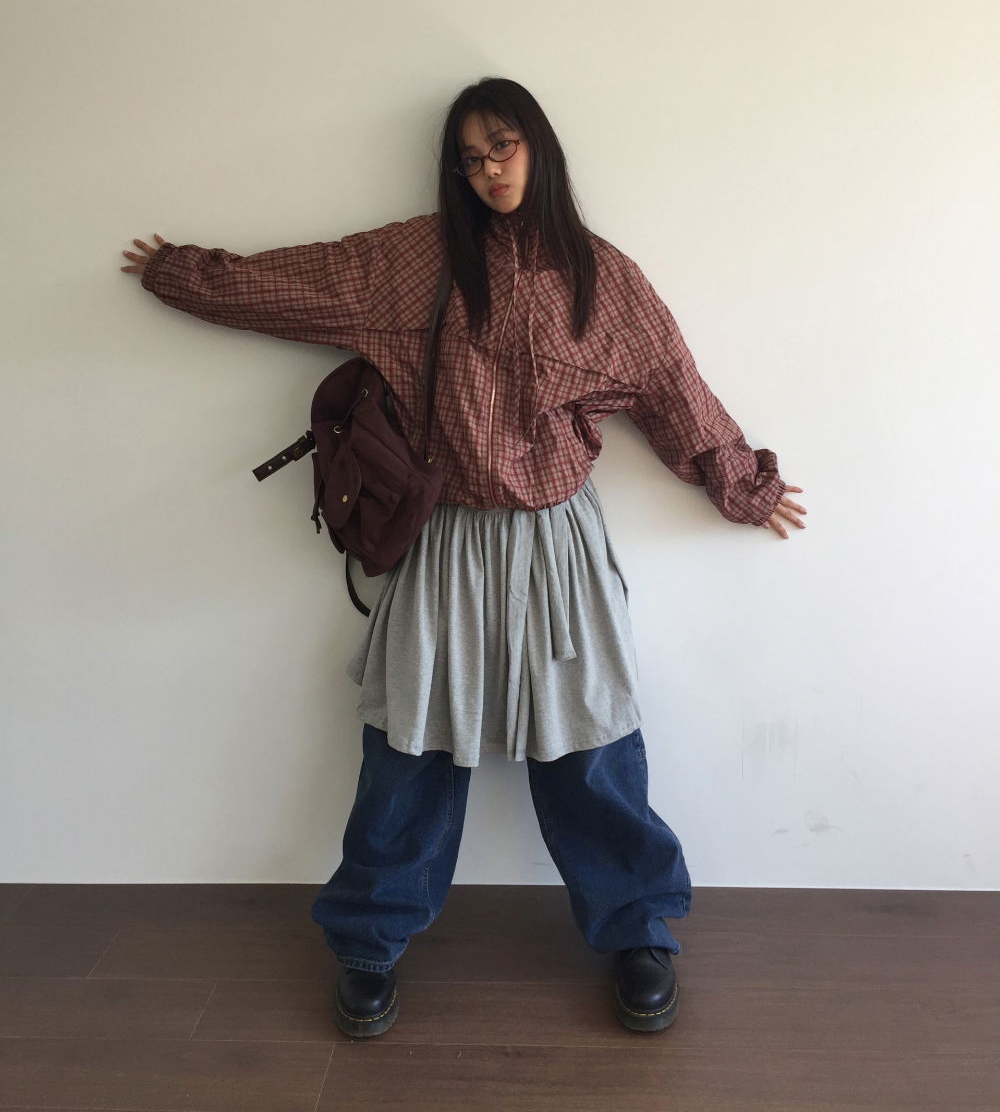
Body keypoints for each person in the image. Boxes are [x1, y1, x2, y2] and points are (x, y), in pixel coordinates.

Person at [121, 76, 806, 1039]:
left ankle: (637, 931)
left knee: (590, 740)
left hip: (557, 540)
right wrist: (180, 273)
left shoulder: (603, 278)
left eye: (503, 146)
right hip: (444, 536)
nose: (489, 170)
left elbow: (671, 388)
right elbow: (298, 283)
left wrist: (744, 484)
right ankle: (370, 937)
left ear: (539, 146)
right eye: (471, 157)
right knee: (411, 743)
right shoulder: (417, 260)